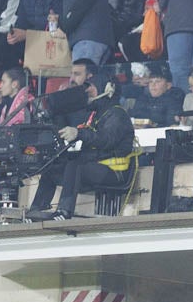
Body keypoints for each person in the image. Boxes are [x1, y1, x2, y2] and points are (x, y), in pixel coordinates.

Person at [26, 81, 136, 222]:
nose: (88, 92)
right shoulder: (97, 114)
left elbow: (106, 140)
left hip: (114, 171)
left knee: (74, 166)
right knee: (53, 167)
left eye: (93, 88)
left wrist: (79, 133)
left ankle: (64, 211)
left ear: (108, 91)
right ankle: (36, 211)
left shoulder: (117, 114)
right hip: (94, 166)